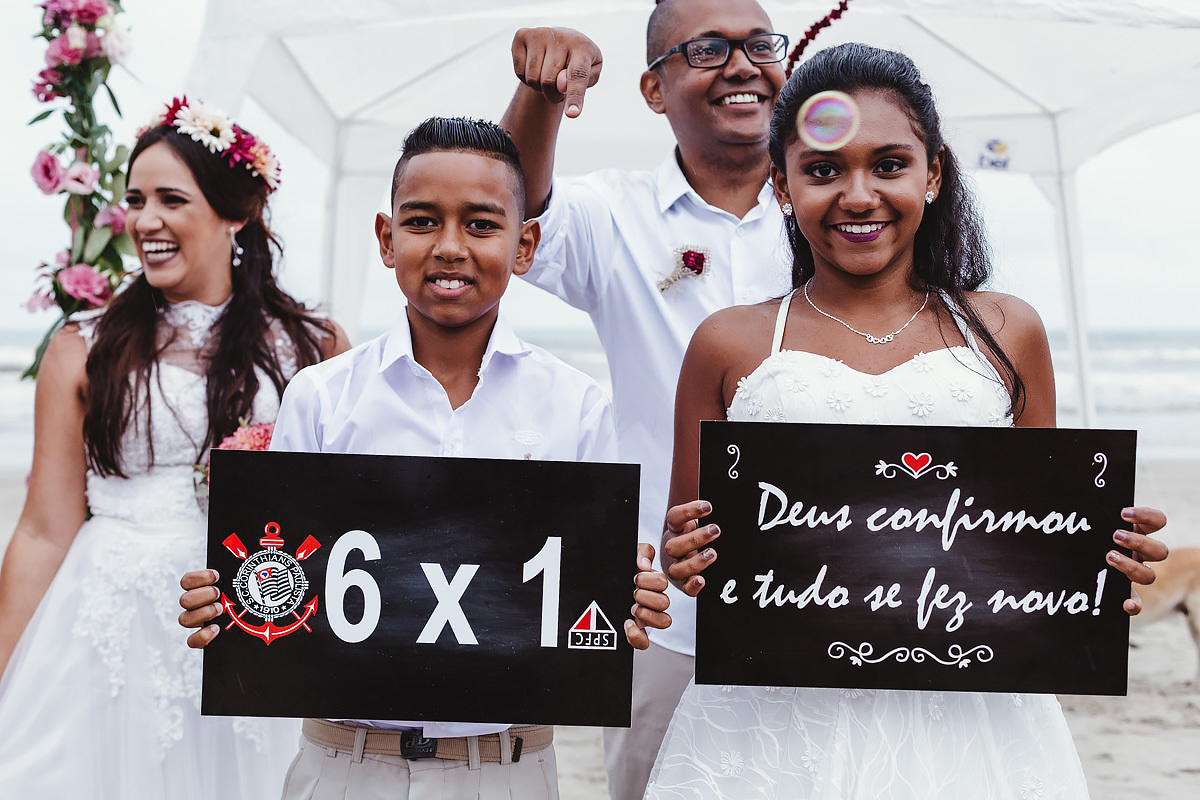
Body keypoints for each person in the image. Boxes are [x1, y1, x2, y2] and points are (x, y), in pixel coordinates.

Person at [634, 42, 1170, 798]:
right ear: (782, 186)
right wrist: (687, 562)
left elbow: (1038, 536)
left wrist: (1097, 559)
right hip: (774, 722)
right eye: (823, 170)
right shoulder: (728, 341)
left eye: (888, 164)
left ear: (934, 174)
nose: (858, 195)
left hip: (971, 722)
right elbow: (690, 553)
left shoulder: (1010, 330)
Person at [178, 116, 617, 799]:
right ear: (386, 239)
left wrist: (627, 594)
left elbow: (588, 599)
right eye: (422, 222)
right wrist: (232, 602)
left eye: (480, 224)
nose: (449, 247)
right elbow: (280, 578)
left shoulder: (579, 406)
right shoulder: (321, 398)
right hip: (345, 766)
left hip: (507, 771)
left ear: (525, 243)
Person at [0, 97, 349, 797]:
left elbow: (344, 516)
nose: (145, 220)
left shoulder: (316, 348)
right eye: (134, 199)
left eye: (170, 199)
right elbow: (44, 529)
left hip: (255, 620)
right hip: (107, 626)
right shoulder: (82, 348)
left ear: (234, 212)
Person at [501, 2, 795, 795]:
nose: (741, 65)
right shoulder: (613, 213)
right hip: (663, 614)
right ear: (653, 89)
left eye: (760, 45)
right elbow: (513, 214)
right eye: (706, 50)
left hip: (823, 596)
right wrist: (541, 92)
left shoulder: (838, 210)